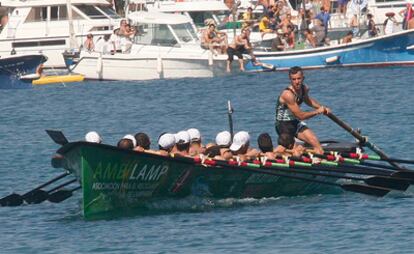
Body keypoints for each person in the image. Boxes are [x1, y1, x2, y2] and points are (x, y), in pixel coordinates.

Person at [274, 66, 330, 155]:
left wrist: (322, 108)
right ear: (290, 80)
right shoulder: (288, 94)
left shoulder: (304, 88)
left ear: (303, 78)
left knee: (316, 143)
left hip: (294, 123)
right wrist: (317, 111)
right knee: (294, 153)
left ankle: (317, 159)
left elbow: (308, 100)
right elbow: (301, 116)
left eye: (299, 79)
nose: (297, 82)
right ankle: (276, 153)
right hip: (283, 126)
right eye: (294, 79)